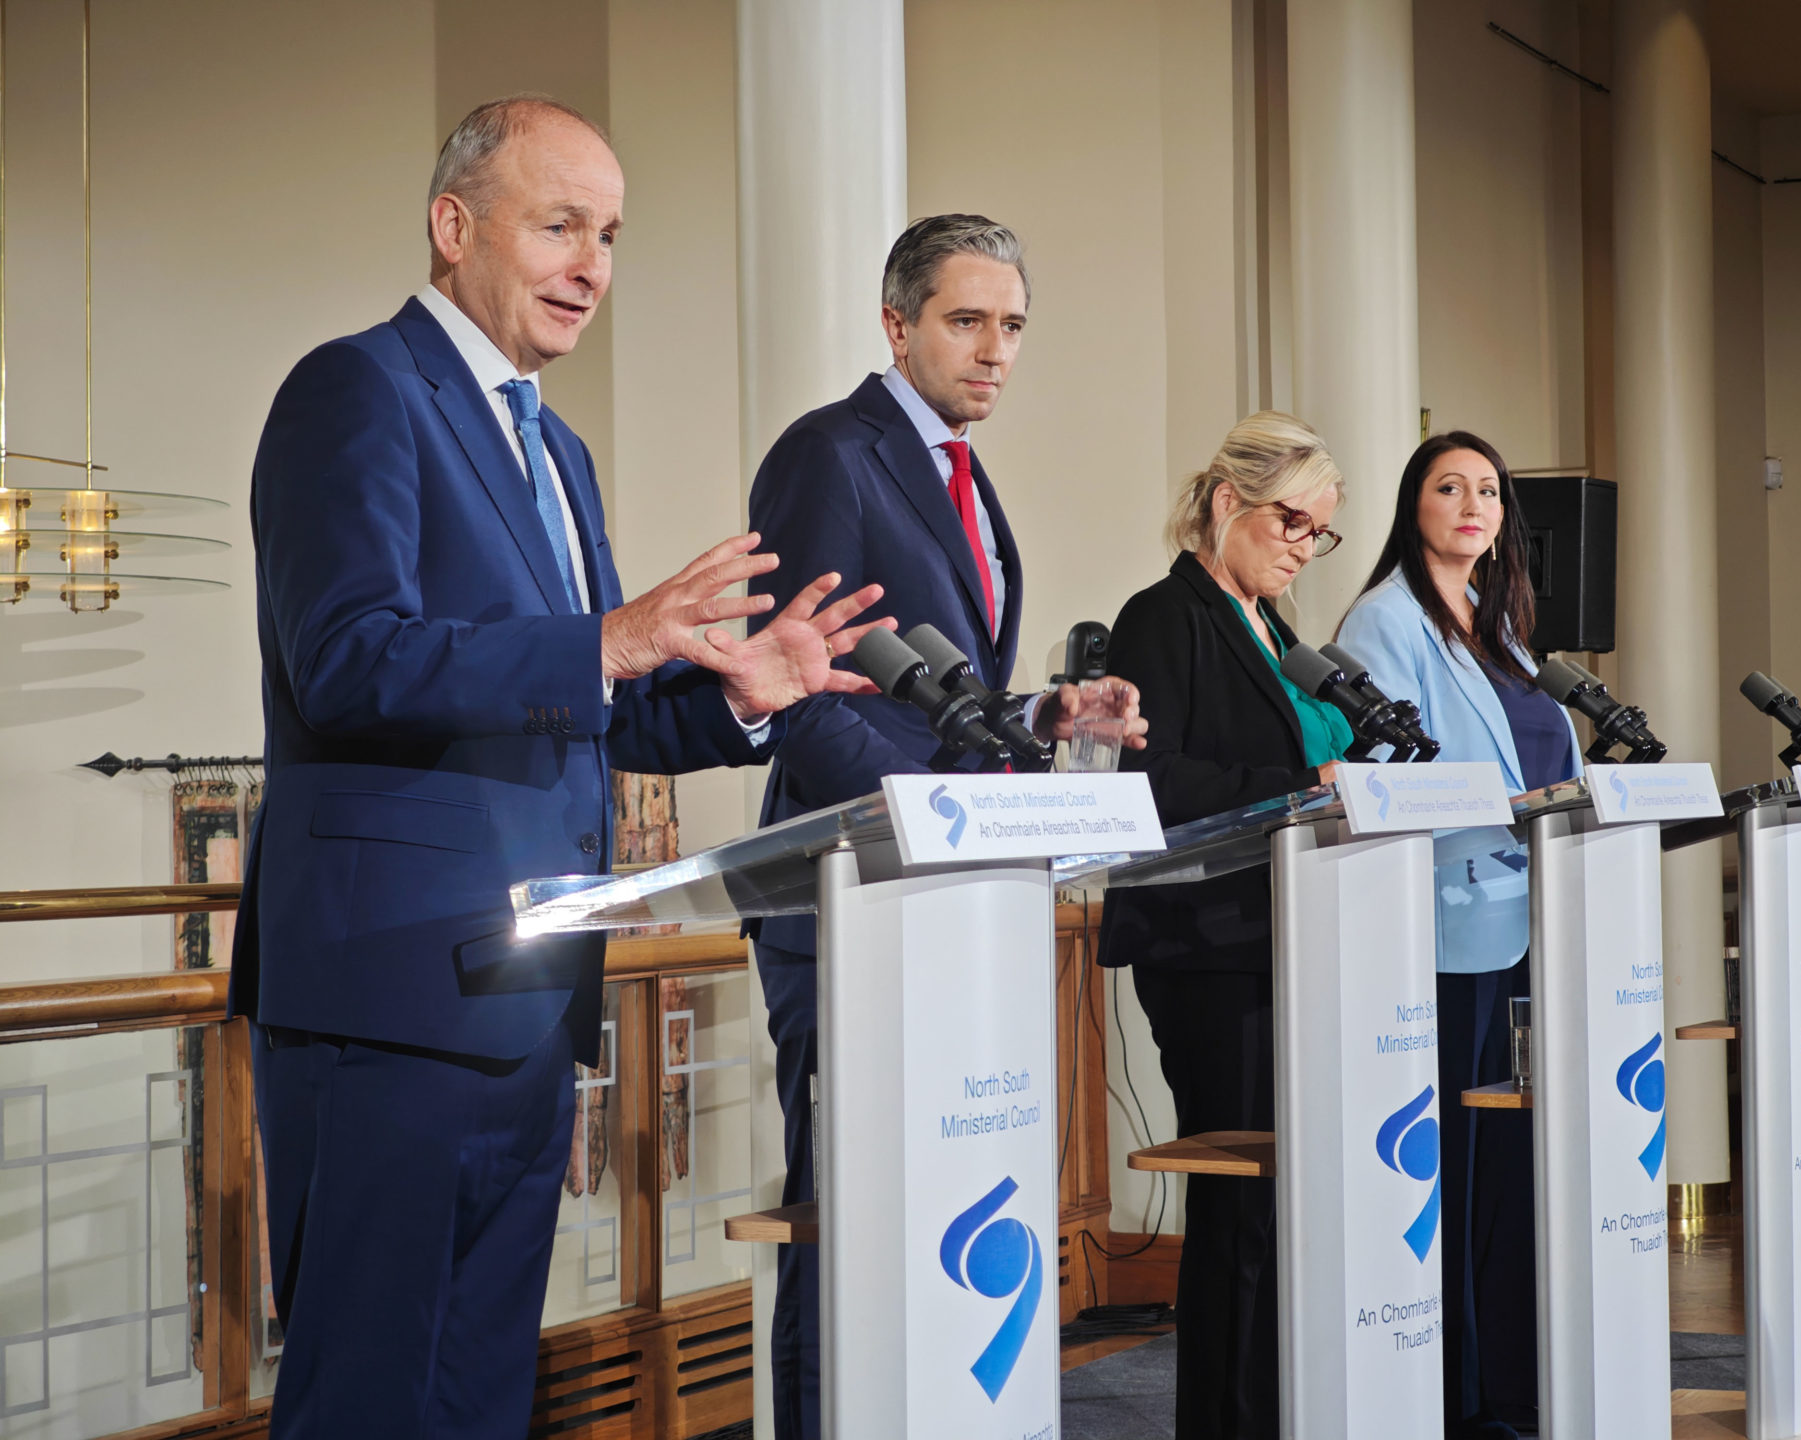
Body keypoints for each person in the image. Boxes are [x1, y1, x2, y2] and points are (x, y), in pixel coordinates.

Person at [233, 96, 891, 1440]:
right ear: (452, 225)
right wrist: (604, 640)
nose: (594, 262)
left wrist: (734, 700)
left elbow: (593, 709)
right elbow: (347, 661)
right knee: (370, 1399)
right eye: (561, 225)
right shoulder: (356, 389)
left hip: (527, 995)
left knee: (478, 1398)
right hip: (390, 995)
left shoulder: (557, 449)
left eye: (611, 234)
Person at [743, 212, 1144, 1440]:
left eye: (1012, 326)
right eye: (967, 321)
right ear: (897, 322)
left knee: (938, 1207)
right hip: (855, 896)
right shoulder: (832, 454)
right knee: (851, 1210)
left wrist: (1042, 710)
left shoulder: (960, 470)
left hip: (946, 890)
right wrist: (934, 816)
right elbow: (807, 695)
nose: (994, 352)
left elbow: (936, 697)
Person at [1097, 412, 1351, 1440]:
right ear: (1224, 502)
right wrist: (1308, 783)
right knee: (1238, 1208)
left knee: (1285, 1208)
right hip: (1207, 947)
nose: (1300, 545)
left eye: (1318, 532)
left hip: (1290, 936)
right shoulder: (1164, 616)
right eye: (1290, 519)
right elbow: (1154, 781)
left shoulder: (1281, 632)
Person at [1335, 430, 1581, 1440]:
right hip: (1440, 931)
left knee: (1512, 1172)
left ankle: (1514, 1388)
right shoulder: (1383, 623)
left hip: (1531, 925)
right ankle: (1456, 1397)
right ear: (1414, 505)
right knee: (1460, 1175)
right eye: (1450, 487)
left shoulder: (1501, 625)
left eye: (1487, 489)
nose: (1472, 504)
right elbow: (1385, 775)